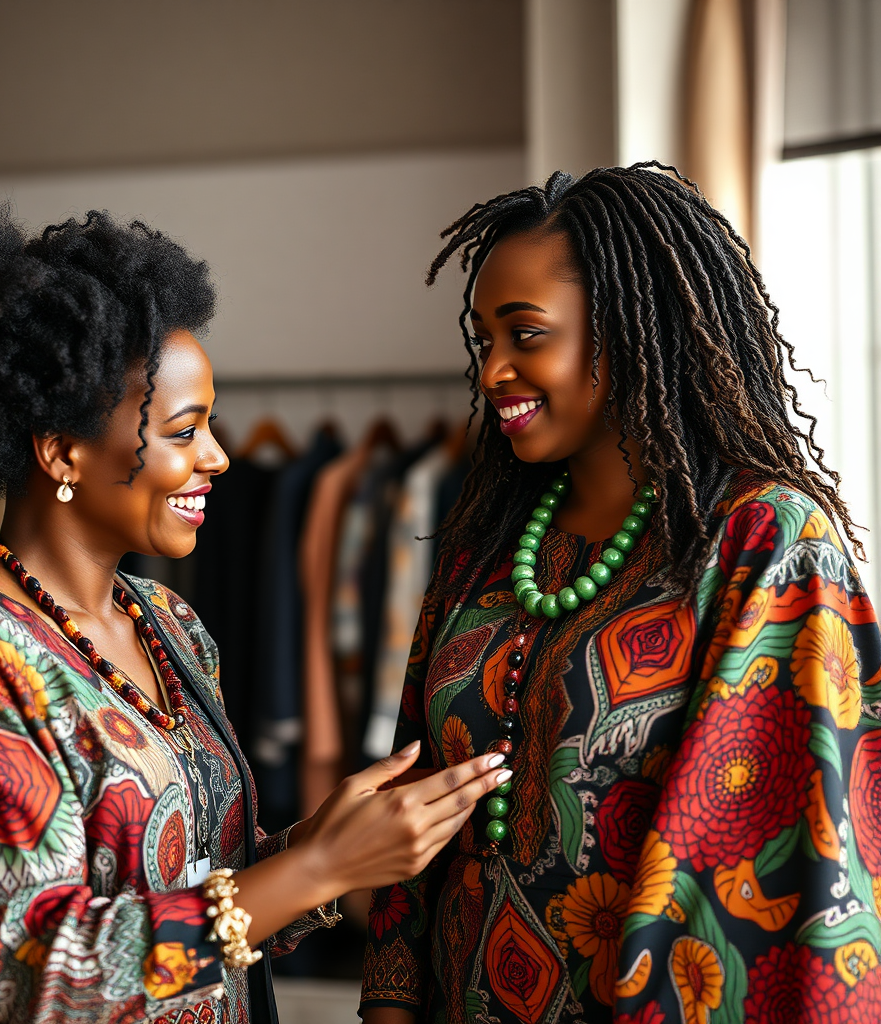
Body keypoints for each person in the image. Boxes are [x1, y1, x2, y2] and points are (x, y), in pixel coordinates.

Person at [0, 201, 511, 1024]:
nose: (219, 456)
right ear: (61, 450)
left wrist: (321, 846)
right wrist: (315, 872)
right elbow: (34, 979)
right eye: (183, 431)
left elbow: (206, 889)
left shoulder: (167, 625)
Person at [359, 164, 881, 1024]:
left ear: (638, 333)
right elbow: (409, 807)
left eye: (527, 335)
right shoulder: (483, 546)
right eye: (483, 340)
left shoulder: (763, 542)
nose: (493, 372)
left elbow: (783, 872)